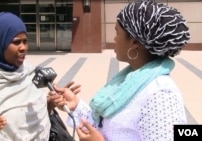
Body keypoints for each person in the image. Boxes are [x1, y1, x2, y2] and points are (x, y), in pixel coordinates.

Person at [49, 0, 191, 141]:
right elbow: (105, 124)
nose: (114, 39)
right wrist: (76, 105)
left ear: (134, 42)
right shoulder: (131, 78)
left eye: (117, 33)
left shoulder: (161, 95)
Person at [0, 12, 80, 141]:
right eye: (16, 42)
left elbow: (32, 114)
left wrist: (49, 103)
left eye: (25, 41)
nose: (23, 48)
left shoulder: (27, 73)